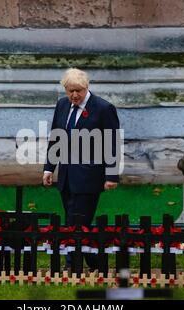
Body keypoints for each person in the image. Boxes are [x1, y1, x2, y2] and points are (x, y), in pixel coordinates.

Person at [42, 68, 120, 272]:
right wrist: (49, 169)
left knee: (76, 222)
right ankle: (96, 264)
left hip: (89, 177)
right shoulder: (61, 105)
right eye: (70, 91)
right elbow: (55, 137)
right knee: (76, 224)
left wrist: (112, 175)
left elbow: (112, 143)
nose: (74, 95)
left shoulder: (103, 108)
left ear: (87, 88)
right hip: (66, 176)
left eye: (78, 90)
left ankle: (71, 266)